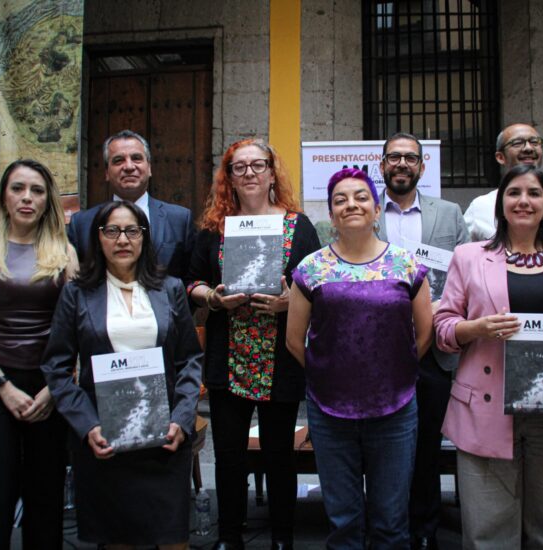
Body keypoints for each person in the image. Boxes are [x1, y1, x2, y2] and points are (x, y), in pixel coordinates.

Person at [435, 165, 543, 549]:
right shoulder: (468, 257)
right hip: (487, 408)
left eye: (533, 193)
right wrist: (477, 328)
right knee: (488, 534)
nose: (523, 201)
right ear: (501, 204)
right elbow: (444, 329)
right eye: (513, 193)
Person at [41, 201, 203, 549]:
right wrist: (87, 426)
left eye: (132, 230)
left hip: (164, 438)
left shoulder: (170, 288)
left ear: (144, 237)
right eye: (112, 231)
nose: (123, 239)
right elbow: (56, 367)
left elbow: (189, 360)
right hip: (105, 439)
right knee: (118, 541)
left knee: (172, 540)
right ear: (98, 238)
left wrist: (182, 419)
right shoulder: (77, 294)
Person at [286, 168, 433, 549]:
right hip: (329, 410)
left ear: (377, 209)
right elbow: (294, 341)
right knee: (344, 521)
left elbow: (424, 335)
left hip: (395, 408)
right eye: (340, 200)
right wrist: (329, 376)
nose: (351, 204)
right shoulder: (311, 268)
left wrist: (392, 373)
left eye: (361, 197)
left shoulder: (406, 265)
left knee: (391, 521)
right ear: (331, 214)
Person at [186, 138, 320, 550]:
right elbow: (191, 282)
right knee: (229, 456)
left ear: (271, 172)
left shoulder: (299, 226)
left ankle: (282, 537)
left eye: (257, 165)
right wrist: (212, 298)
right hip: (230, 357)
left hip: (280, 357)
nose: (249, 173)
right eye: (238, 167)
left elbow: (318, 284)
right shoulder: (215, 228)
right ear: (228, 177)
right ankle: (229, 536)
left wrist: (290, 301)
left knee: (280, 454)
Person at [0, 159, 78, 549]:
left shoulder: (66, 253)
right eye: (18, 188)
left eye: (37, 191)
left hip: (48, 389)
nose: (27, 198)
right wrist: (3, 387)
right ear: (4, 197)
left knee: (45, 497)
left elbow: (78, 332)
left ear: (47, 201)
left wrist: (55, 389)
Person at [374, 132, 468, 550]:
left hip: (433, 350)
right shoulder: (363, 209)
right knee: (380, 445)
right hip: (376, 348)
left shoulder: (449, 214)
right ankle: (383, 525)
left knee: (427, 443)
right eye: (394, 157)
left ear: (422, 166)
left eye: (410, 158)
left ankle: (424, 528)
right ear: (382, 165)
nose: (402, 164)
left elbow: (466, 275)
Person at [67, 129, 196, 280]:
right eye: (118, 160)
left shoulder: (180, 219)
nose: (129, 166)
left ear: (149, 168)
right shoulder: (81, 223)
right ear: (107, 172)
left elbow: (190, 281)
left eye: (136, 158)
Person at [463, 123, 543, 244]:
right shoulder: (479, 207)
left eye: (534, 142)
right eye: (517, 143)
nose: (528, 148)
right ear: (500, 157)